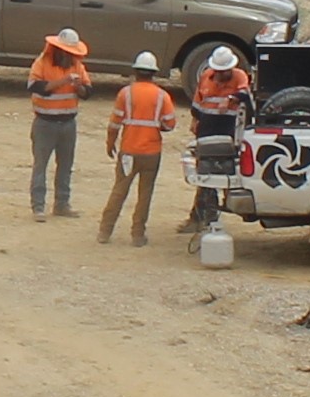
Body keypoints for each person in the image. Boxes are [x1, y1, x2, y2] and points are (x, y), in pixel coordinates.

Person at [98, 53, 176, 242]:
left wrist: (110, 143)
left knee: (119, 191)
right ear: (153, 73)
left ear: (135, 72)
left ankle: (105, 232)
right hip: (151, 152)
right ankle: (138, 234)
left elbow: (114, 124)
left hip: (129, 151)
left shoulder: (125, 94)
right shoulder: (162, 96)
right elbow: (170, 124)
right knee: (145, 194)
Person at [179, 35, 249, 232]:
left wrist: (231, 98)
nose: (221, 74)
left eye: (224, 71)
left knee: (224, 174)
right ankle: (201, 217)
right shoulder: (206, 77)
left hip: (228, 132)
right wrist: (195, 120)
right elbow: (198, 101)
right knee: (205, 176)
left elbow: (245, 94)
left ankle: (209, 216)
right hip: (207, 131)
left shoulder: (239, 77)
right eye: (219, 71)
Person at [24, 27, 93, 217]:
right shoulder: (42, 63)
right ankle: (38, 207)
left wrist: (78, 87)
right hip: (45, 123)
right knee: (40, 166)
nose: (71, 56)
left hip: (68, 123)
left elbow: (87, 92)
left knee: (65, 167)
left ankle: (62, 205)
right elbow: (36, 87)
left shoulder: (77, 66)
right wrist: (62, 81)